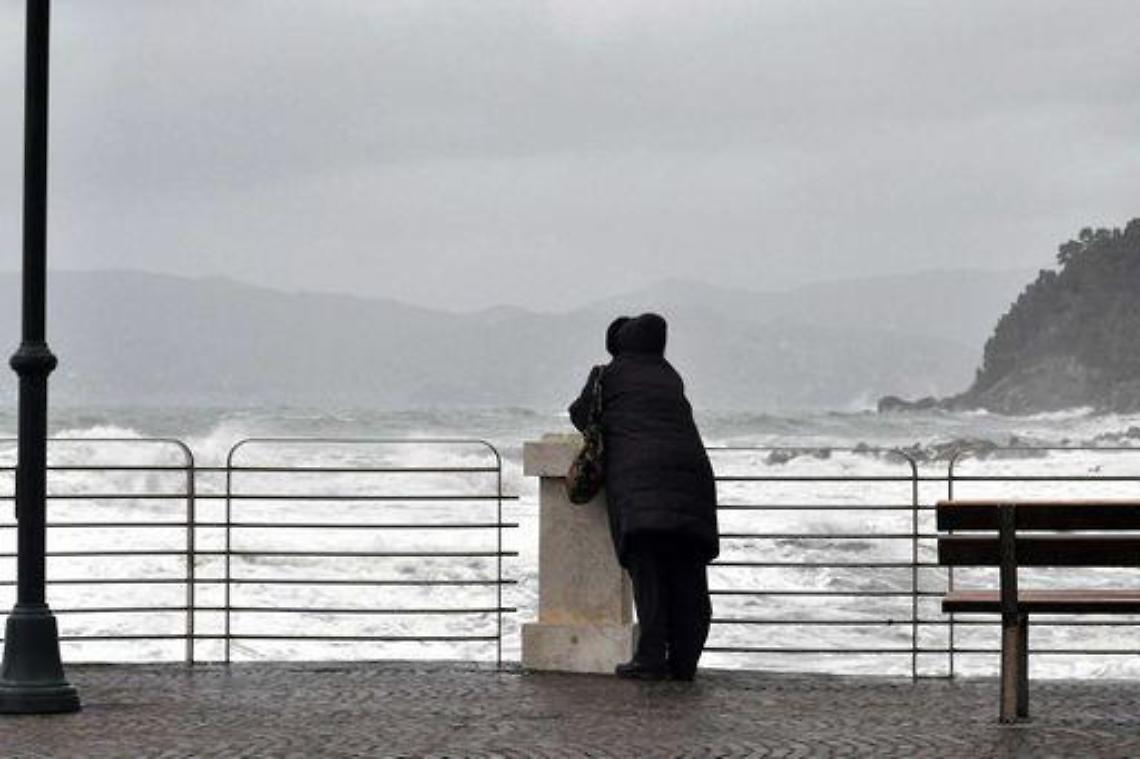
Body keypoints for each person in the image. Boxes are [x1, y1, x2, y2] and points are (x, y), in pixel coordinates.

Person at [569, 313, 719, 681]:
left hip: (641, 483)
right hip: (693, 480)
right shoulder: (670, 376)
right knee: (689, 575)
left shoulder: (608, 374)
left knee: (649, 573)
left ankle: (650, 660)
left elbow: (580, 415)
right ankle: (684, 663)